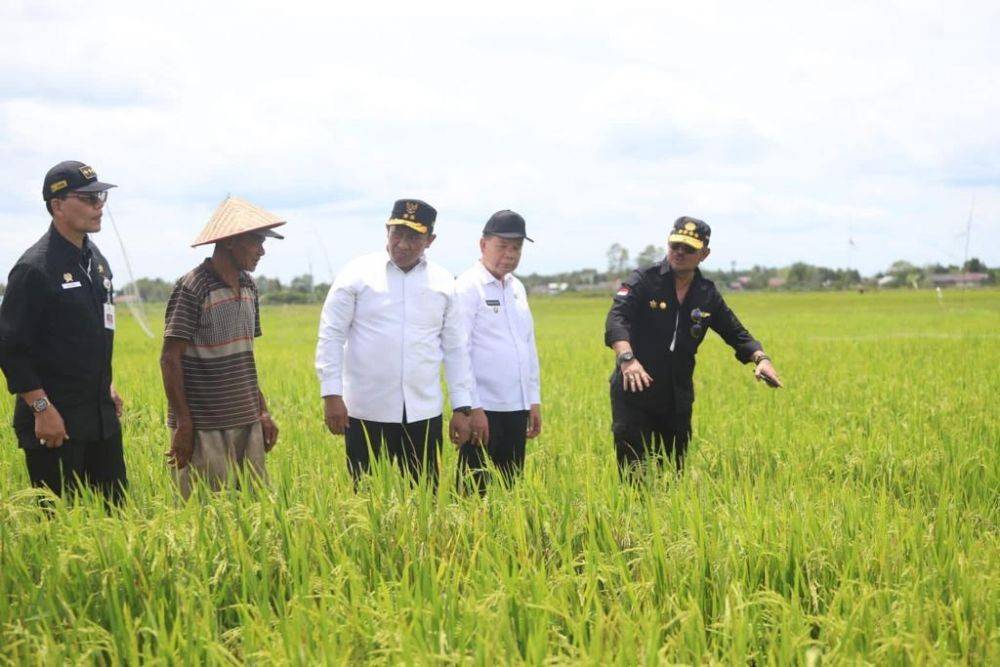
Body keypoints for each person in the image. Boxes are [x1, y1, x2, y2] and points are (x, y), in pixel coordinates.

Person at [316, 198, 486, 486]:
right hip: (366, 410)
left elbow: (456, 350)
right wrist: (332, 395)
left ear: (430, 240)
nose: (403, 244)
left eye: (414, 237)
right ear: (387, 231)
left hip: (423, 412)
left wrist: (462, 408)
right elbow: (331, 336)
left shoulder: (444, 282)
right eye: (397, 234)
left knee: (425, 494)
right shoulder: (356, 275)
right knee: (366, 496)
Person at [604, 216, 782, 479]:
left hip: (676, 398)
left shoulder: (705, 293)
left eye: (688, 248)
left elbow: (735, 332)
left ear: (704, 254)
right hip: (634, 391)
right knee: (634, 475)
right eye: (675, 245)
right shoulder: (644, 280)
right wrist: (627, 358)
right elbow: (616, 318)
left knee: (672, 475)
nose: (679, 252)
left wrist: (761, 359)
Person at [0, 160, 127, 503]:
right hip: (55, 426)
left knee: (116, 519)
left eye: (100, 196)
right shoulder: (34, 269)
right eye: (87, 199)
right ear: (57, 205)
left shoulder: (95, 260)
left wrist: (107, 384)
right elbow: (11, 348)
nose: (98, 205)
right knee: (60, 527)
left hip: (101, 418)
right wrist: (41, 409)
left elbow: (93, 331)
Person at [160, 196, 284, 499]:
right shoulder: (193, 287)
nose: (262, 250)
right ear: (230, 241)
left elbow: (244, 358)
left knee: (252, 514)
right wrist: (184, 425)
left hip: (247, 422)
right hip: (205, 428)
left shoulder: (249, 287)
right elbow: (169, 359)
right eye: (256, 241)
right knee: (206, 516)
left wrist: (263, 412)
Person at [453, 210, 541, 493]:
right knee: (473, 491)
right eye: (502, 246)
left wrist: (533, 401)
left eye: (516, 247)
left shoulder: (517, 288)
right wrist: (472, 407)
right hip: (484, 409)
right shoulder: (468, 287)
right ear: (483, 245)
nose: (510, 254)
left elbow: (527, 346)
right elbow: (459, 352)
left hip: (516, 407)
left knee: (510, 489)